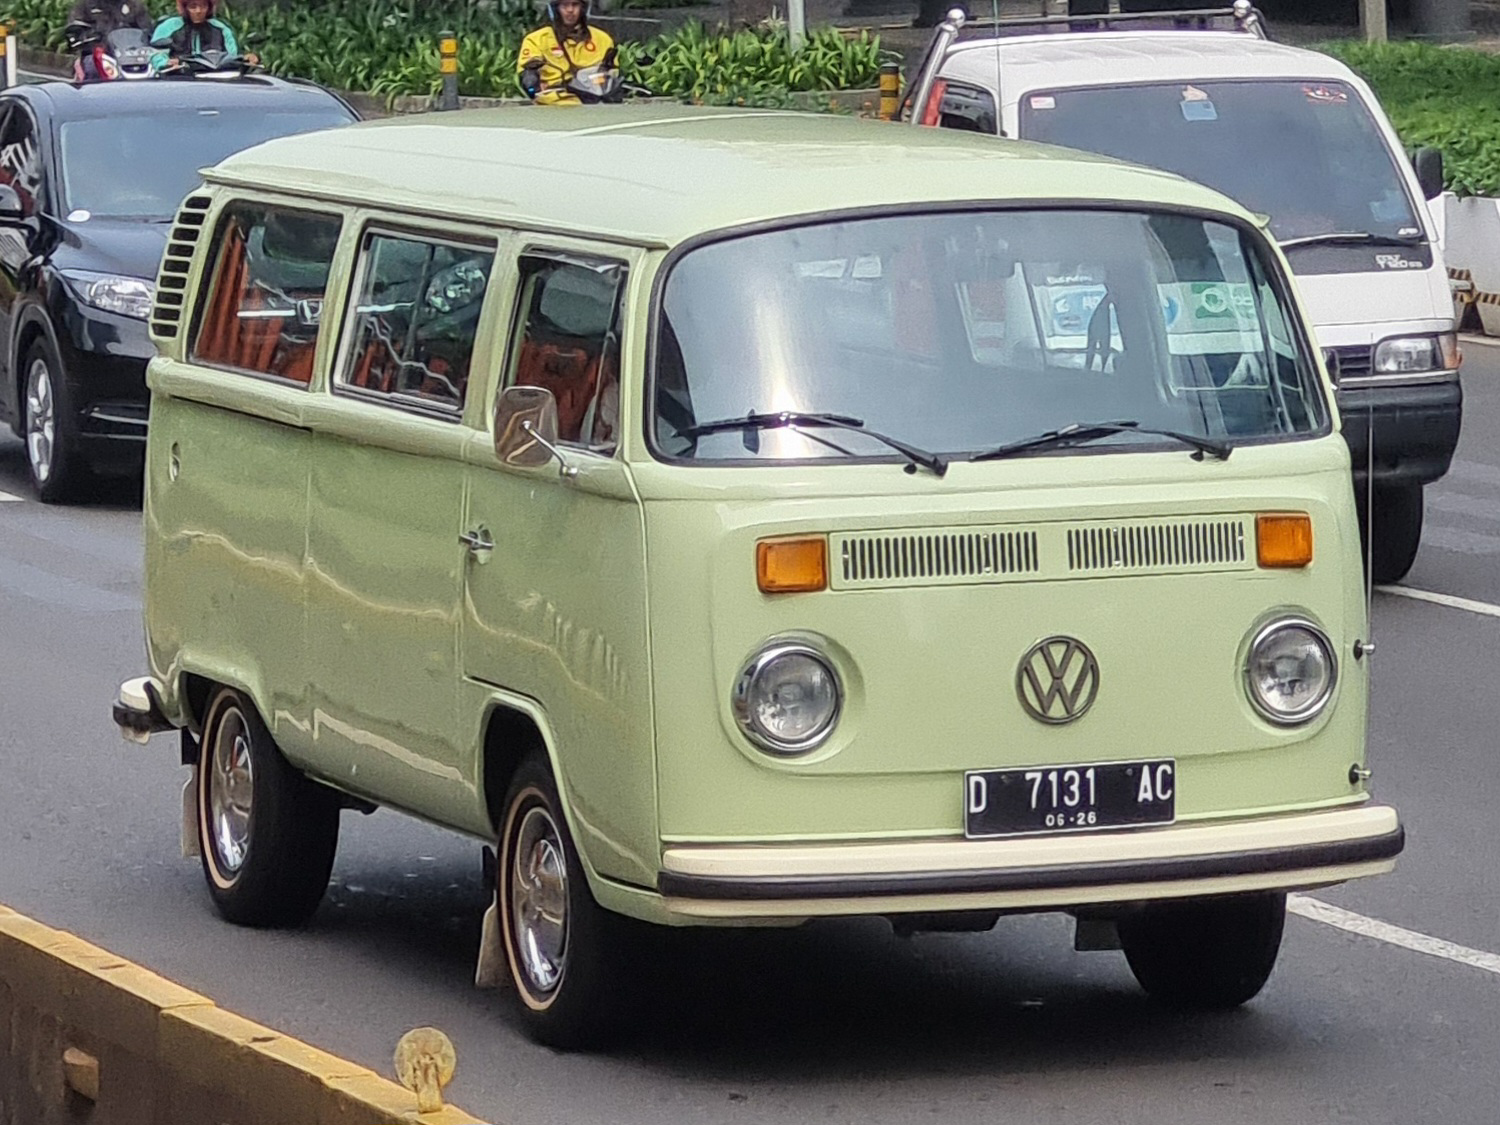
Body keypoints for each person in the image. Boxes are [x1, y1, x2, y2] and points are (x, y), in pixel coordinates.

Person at [516, 0, 615, 106]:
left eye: (575, 4)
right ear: (555, 9)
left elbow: (613, 74)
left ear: (583, 8)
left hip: (594, 102)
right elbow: (528, 76)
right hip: (553, 103)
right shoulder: (537, 39)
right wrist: (534, 90)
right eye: (564, 5)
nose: (570, 10)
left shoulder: (602, 39)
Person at [149, 0, 257, 71]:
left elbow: (233, 55)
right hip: (179, 79)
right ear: (184, 8)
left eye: (203, 6)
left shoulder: (221, 28)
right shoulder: (168, 26)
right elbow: (155, 54)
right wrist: (166, 63)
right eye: (193, 6)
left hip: (215, 79)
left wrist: (245, 59)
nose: (198, 11)